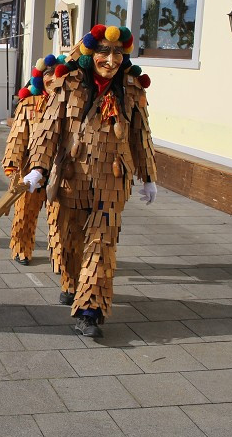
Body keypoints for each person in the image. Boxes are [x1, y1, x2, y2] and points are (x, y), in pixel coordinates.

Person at [23, 24, 157, 338]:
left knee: (101, 247)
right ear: (90, 54)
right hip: (72, 179)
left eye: (118, 54)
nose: (111, 60)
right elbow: (48, 131)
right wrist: (38, 169)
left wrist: (148, 176)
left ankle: (90, 312)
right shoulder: (66, 84)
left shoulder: (133, 88)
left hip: (112, 181)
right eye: (104, 52)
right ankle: (71, 282)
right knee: (69, 245)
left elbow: (142, 135)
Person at [2, 58, 64, 277]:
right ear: (41, 78)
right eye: (49, 74)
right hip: (29, 168)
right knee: (25, 212)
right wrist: (11, 163)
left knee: (59, 215)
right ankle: (21, 248)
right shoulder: (29, 105)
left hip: (60, 170)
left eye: (59, 74)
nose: (54, 79)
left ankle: (60, 257)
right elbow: (17, 136)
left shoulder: (69, 106)